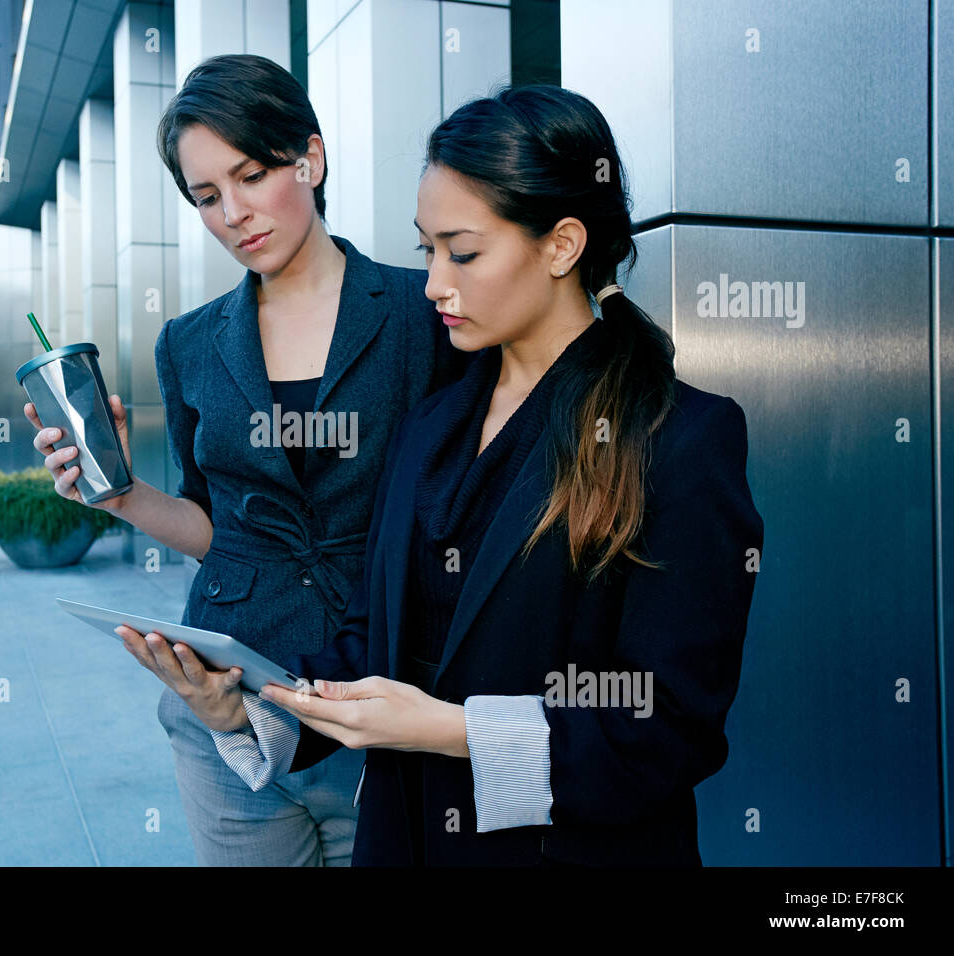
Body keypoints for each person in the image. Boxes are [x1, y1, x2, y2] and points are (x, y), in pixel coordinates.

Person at [120, 84, 765, 866]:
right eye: (427, 250)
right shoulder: (431, 424)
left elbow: (668, 729)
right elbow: (370, 641)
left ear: (561, 246)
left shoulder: (681, 439)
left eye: (462, 252)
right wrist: (243, 710)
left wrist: (450, 730)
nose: (432, 284)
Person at [24, 54, 469, 865]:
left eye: (253, 174)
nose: (233, 212)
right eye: (205, 197)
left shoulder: (423, 313)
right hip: (225, 710)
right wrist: (119, 493)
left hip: (380, 704)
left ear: (312, 158)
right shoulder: (189, 343)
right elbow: (218, 527)